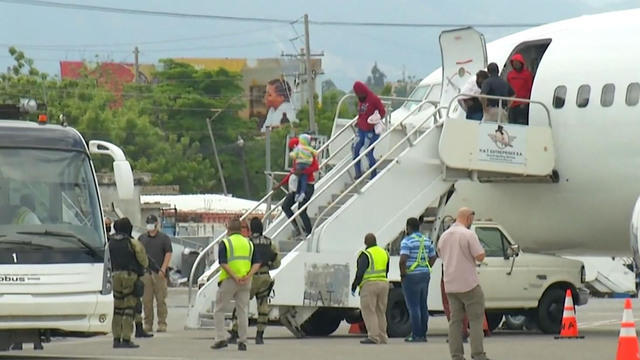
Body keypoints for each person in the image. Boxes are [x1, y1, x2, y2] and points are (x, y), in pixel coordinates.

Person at [437, 208, 489, 360]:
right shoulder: (468, 234)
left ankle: (456, 355)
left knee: (455, 320)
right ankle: (478, 353)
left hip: (450, 285)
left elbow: (441, 254)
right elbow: (480, 256)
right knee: (476, 319)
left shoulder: (444, 236)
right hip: (468, 284)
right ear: (468, 218)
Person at [211, 218, 263, 351]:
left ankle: (220, 338)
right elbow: (257, 263)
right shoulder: (249, 244)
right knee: (243, 311)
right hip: (246, 281)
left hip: (229, 280)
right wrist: (248, 276)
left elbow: (223, 262)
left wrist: (235, 276)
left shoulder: (225, 243)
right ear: (241, 229)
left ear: (228, 229)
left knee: (219, 309)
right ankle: (243, 341)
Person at [228, 217, 280, 345]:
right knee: (263, 307)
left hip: (250, 277)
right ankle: (259, 336)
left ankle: (234, 333)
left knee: (241, 305)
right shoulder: (270, 243)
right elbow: (277, 262)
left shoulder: (247, 243)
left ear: (251, 229)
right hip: (264, 277)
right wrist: (267, 267)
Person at [109, 217, 148, 349]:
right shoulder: (132, 242)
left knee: (117, 308)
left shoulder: (110, 242)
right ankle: (126, 338)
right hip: (129, 276)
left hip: (114, 276)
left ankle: (116, 338)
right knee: (129, 308)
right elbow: (144, 260)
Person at [399, 217, 437, 342]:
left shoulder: (407, 241)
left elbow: (403, 259)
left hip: (411, 276)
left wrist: (403, 274)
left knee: (413, 306)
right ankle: (423, 334)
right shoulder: (426, 240)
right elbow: (433, 257)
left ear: (408, 227)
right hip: (424, 275)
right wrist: (426, 267)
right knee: (423, 305)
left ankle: (415, 335)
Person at [274, 137, 319, 238]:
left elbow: (316, 168)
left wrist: (303, 172)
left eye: (291, 149)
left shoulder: (308, 154)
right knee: (285, 206)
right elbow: (292, 174)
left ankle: (309, 232)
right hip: (297, 186)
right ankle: (298, 228)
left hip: (308, 185)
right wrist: (280, 184)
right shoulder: (296, 158)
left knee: (302, 210)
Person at [351, 233, 389, 345]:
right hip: (383, 283)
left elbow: (360, 272)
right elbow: (386, 269)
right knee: (380, 311)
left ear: (365, 242)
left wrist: (355, 286)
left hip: (369, 285)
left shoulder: (365, 254)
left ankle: (373, 337)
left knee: (369, 311)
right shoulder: (384, 252)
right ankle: (383, 337)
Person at [139, 214, 172, 333]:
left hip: (159, 273)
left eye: (152, 223)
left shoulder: (164, 238)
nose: (150, 225)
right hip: (145, 273)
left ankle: (162, 323)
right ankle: (148, 323)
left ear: (157, 224)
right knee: (146, 301)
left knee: (160, 300)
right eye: (148, 223)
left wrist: (163, 269)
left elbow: (168, 253)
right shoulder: (142, 238)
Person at [352, 81, 386, 180]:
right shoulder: (361, 99)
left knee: (368, 152)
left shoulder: (373, 99)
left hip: (370, 130)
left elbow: (382, 112)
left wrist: (375, 118)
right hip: (361, 129)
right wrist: (358, 121)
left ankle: (373, 174)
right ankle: (358, 172)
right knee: (355, 149)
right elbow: (361, 113)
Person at [289, 134, 317, 203]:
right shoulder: (301, 156)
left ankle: (301, 193)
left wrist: (304, 171)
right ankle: (299, 193)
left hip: (309, 183)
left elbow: (316, 167)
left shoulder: (304, 154)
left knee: (301, 209)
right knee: (286, 206)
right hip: (298, 180)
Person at [506, 53, 534, 125]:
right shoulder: (510, 74)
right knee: (511, 123)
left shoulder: (527, 74)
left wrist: (525, 102)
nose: (515, 64)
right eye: (514, 63)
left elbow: (530, 89)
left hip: (522, 104)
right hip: (512, 104)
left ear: (521, 63)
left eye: (517, 63)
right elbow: (508, 88)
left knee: (521, 123)